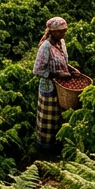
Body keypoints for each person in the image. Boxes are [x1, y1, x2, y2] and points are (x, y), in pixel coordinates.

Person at [32, 17, 72, 155]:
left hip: (60, 87)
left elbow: (63, 61)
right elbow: (37, 70)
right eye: (60, 31)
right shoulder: (46, 47)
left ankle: (58, 144)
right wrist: (56, 75)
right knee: (48, 120)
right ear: (52, 32)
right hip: (49, 87)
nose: (63, 34)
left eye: (64, 31)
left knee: (58, 118)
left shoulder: (61, 43)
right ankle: (45, 149)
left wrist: (71, 69)